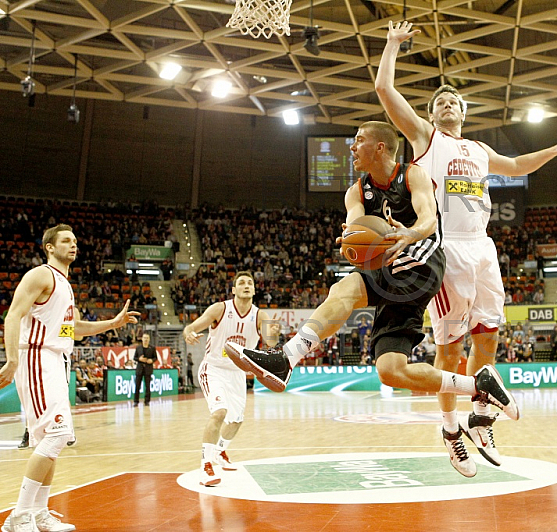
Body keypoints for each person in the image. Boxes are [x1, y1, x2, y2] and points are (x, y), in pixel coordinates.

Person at [224, 121, 519, 478]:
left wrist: (408, 234)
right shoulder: (355, 191)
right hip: (384, 267)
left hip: (420, 268)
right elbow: (356, 223)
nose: (352, 147)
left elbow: (427, 219)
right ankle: (480, 386)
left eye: (359, 141)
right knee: (389, 370)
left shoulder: (413, 175)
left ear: (380, 147)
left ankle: (286, 357)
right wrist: (352, 238)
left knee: (347, 288)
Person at [374, 20, 557, 474]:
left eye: (453, 101)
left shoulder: (480, 148)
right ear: (433, 114)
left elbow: (520, 163)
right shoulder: (427, 138)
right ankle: (449, 430)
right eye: (440, 101)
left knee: (489, 336)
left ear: (463, 111)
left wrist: (555, 150)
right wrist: (391, 45)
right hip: (446, 248)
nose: (447, 105)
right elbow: (385, 91)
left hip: (483, 247)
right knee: (450, 351)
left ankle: (481, 415)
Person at [0, 224, 139, 532]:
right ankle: (19, 516)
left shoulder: (65, 283)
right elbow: (12, 316)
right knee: (58, 434)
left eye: (75, 240)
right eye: (66, 241)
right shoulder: (41, 275)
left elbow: (73, 329)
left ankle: (38, 513)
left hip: (55, 360)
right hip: (37, 357)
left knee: (48, 440)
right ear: (50, 247)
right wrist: (11, 359)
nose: (74, 245)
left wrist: (112, 322)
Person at [183, 271, 279, 487]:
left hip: (237, 373)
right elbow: (191, 327)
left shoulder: (260, 316)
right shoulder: (220, 309)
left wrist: (273, 333)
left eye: (250, 283)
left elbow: (271, 344)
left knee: (236, 420)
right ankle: (206, 465)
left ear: (254, 290)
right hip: (214, 368)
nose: (246, 286)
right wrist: (188, 333)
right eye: (242, 283)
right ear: (234, 290)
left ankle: (220, 451)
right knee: (219, 413)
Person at [133, 333, 156, 406]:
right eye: (144, 338)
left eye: (147, 338)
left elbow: (155, 357)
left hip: (148, 368)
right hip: (140, 368)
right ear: (142, 339)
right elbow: (135, 358)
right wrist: (139, 359)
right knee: (137, 385)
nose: (145, 339)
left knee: (148, 386)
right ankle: (136, 401)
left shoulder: (152, 348)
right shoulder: (138, 348)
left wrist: (151, 360)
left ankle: (147, 401)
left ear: (149, 339)